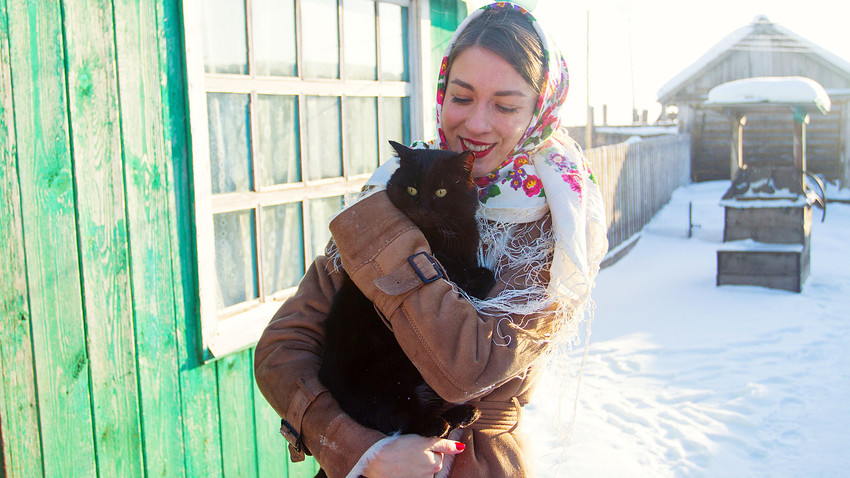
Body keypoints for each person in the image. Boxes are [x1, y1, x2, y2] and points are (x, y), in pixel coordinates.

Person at [254, 2, 608, 477]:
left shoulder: (557, 226)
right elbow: (282, 347)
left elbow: (468, 368)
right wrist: (360, 450)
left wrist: (385, 238)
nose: (476, 125)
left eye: (504, 106)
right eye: (461, 97)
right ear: (441, 93)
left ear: (540, 111)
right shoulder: (396, 183)